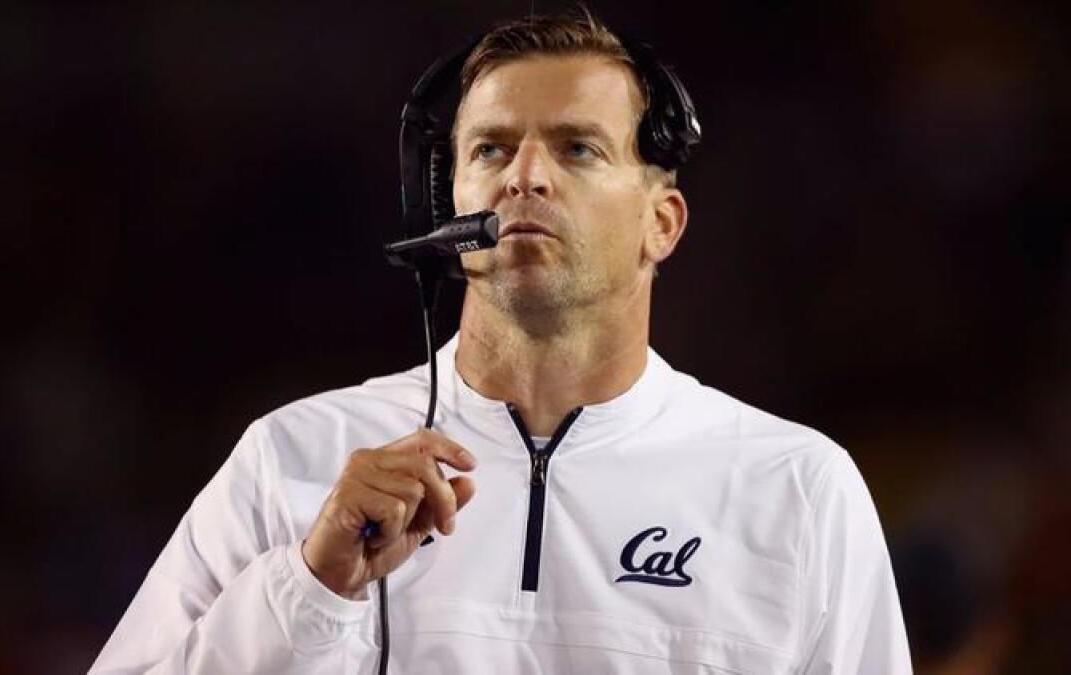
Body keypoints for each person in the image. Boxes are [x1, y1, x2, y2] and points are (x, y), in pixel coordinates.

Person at [90, 11, 911, 674]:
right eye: (490, 148)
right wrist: (310, 586)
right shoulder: (294, 458)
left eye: (576, 147)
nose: (525, 176)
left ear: (660, 224)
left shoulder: (796, 489)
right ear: (449, 205)